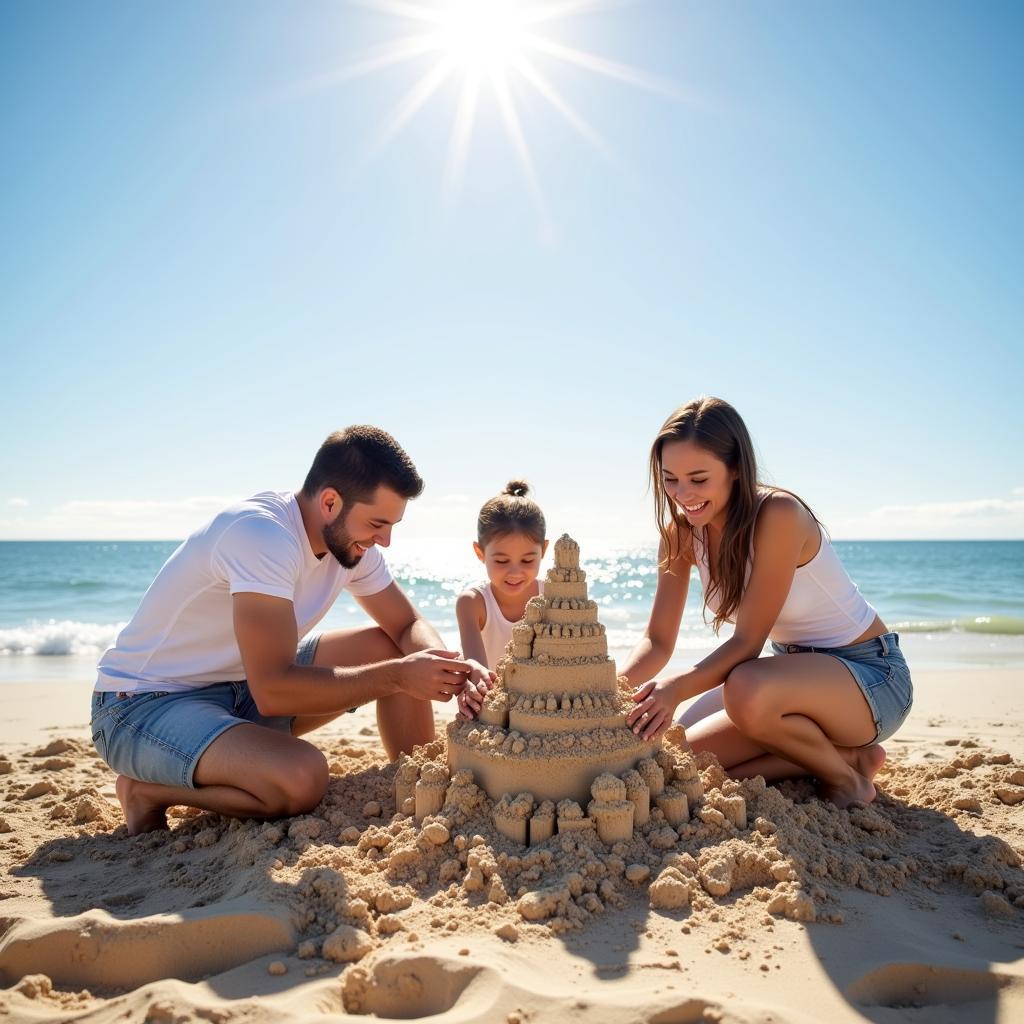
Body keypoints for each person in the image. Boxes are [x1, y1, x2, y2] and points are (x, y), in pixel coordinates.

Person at [91, 426, 492, 834]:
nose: (385, 540)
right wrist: (399, 676)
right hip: (141, 706)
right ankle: (146, 792)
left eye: (392, 525)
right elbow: (273, 690)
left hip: (238, 689)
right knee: (303, 777)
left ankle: (415, 783)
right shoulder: (262, 535)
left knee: (390, 646)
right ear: (331, 502)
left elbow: (407, 624)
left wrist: (449, 665)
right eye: (377, 523)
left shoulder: (351, 544)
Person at [622, 397, 912, 807]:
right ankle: (847, 760)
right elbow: (658, 640)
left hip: (869, 677)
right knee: (676, 754)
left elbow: (747, 643)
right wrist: (610, 691)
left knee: (743, 684)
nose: (683, 495)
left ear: (736, 467)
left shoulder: (778, 514)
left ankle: (847, 782)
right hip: (785, 683)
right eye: (671, 480)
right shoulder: (680, 533)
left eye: (699, 479)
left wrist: (673, 690)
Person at [455, 481, 548, 717]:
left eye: (527, 561)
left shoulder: (552, 596)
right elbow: (479, 673)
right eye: (501, 561)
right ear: (480, 553)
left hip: (543, 703)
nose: (515, 572)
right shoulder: (473, 603)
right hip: (494, 706)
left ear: (543, 551)